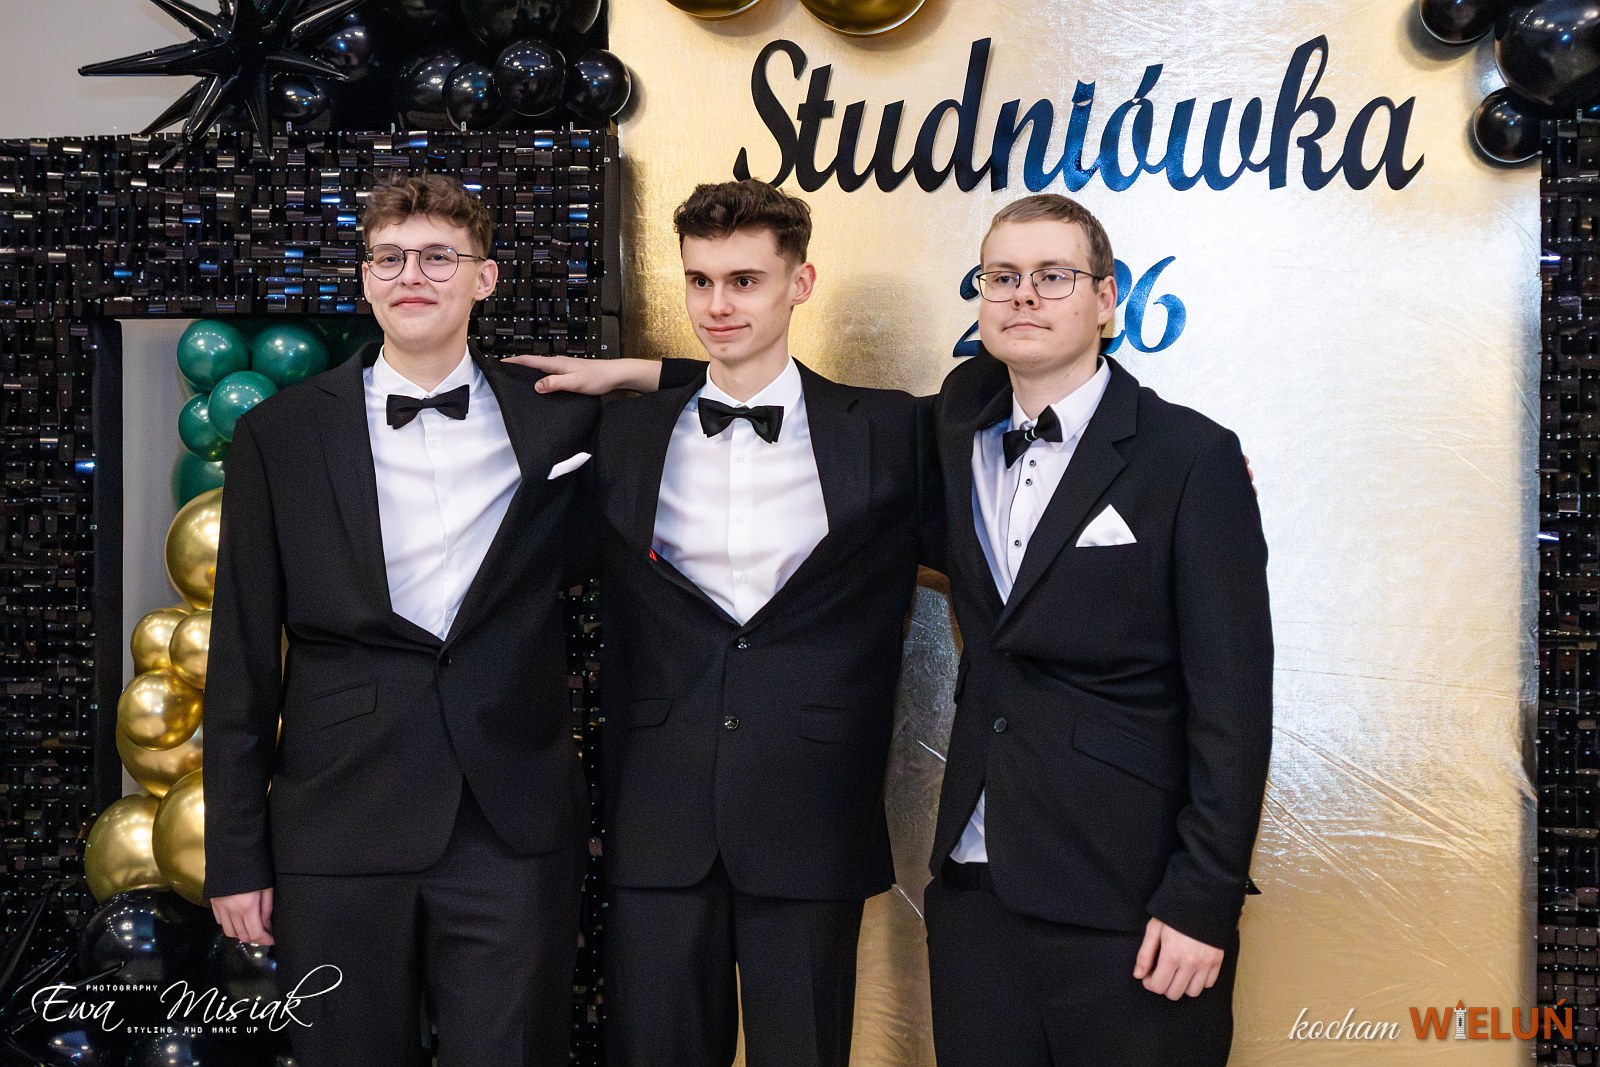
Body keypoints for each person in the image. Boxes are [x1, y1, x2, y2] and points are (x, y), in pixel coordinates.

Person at [520, 178, 936, 1067]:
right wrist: (642, 378)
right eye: (700, 281)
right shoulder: (624, 438)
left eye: (745, 280)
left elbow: (1014, 417)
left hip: (812, 811)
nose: (718, 305)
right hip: (657, 815)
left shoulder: (886, 429)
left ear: (801, 282)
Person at [202, 174, 603, 1067]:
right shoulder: (279, 434)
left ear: (485, 278)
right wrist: (235, 853)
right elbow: (240, 656)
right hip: (336, 819)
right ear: (365, 277)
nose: (410, 275)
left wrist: (637, 372)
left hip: (510, 821)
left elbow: (722, 392)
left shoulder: (562, 421)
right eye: (388, 258)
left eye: (436, 257)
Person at [923, 194, 1272, 1066]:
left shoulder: (1191, 456)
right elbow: (821, 417)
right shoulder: (956, 422)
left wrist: (1202, 901)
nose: (1023, 295)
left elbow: (1232, 704)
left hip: (1133, 903)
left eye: (1053, 276)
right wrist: (646, 378)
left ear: (1107, 299)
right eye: (1002, 277)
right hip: (975, 895)